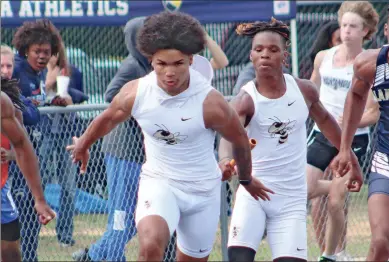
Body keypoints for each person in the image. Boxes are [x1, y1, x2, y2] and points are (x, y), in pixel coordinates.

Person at [67, 11, 271, 262]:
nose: (169, 73)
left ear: (191, 60)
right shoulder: (137, 92)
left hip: (202, 190)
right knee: (151, 245)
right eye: (162, 64)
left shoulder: (210, 103)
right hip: (160, 182)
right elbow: (108, 117)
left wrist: (247, 179)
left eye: (178, 64)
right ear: (151, 60)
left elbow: (240, 140)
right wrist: (84, 144)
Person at [218, 18, 361, 262]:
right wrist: (225, 161)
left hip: (291, 198)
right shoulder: (245, 99)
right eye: (259, 50)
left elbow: (327, 123)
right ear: (251, 56)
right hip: (253, 193)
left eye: (273, 50)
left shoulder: (304, 91)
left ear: (284, 56)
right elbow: (229, 136)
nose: (265, 55)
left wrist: (352, 159)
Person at [306, 2, 379, 261]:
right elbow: (309, 94)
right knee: (306, 188)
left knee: (337, 201)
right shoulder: (323, 57)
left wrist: (350, 121)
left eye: (353, 26)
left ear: (366, 31)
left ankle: (330, 255)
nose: (346, 31)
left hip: (353, 137)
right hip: (321, 133)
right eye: (344, 25)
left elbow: (373, 112)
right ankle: (338, 185)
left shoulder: (370, 64)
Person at [10, 18, 85, 260]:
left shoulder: (36, 73)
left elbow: (33, 105)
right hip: (14, 155)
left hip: (29, 151)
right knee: (21, 213)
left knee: (33, 215)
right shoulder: (17, 71)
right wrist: (37, 107)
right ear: (25, 50)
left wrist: (50, 100)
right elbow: (26, 115)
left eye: (46, 52)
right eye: (37, 51)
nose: (42, 56)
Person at [331, 4, 389, 261]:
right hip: (385, 158)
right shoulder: (370, 64)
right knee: (379, 242)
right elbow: (355, 95)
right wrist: (344, 149)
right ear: (387, 30)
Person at [1, 77, 55, 262]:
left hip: (1, 190)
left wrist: (39, 199)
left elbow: (22, 146)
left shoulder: (4, 104)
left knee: (10, 254)